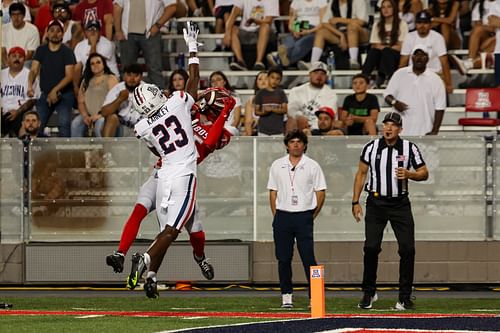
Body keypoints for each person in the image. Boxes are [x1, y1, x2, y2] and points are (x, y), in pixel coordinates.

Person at [105, 91, 236, 284]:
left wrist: (218, 111)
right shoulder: (186, 112)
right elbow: (182, 100)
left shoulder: (216, 131)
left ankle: (199, 258)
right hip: (167, 175)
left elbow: (209, 142)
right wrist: (207, 101)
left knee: (192, 230)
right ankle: (135, 263)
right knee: (153, 220)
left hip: (177, 177)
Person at [128, 21, 201, 299]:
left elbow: (155, 151)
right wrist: (192, 49)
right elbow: (193, 83)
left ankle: (151, 275)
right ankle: (145, 260)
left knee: (165, 232)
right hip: (183, 174)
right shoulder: (177, 100)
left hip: (164, 176)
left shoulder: (142, 127)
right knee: (173, 230)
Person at [351, 111, 429, 310]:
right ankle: (369, 292)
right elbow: (361, 174)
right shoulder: (371, 147)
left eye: (393, 125)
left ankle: (404, 296)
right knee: (370, 247)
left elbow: (424, 173)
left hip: (400, 204)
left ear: (400, 129)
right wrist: (355, 201)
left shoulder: (410, 148)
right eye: (386, 124)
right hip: (376, 203)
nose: (388, 128)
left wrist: (410, 174)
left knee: (407, 249)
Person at [267, 129, 326, 308]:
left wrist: (311, 215)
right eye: (292, 142)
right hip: (283, 216)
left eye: (299, 142)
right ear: (287, 145)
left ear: (305, 145)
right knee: (283, 258)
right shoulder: (277, 165)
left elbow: (321, 192)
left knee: (309, 258)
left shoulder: (312, 165)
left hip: (304, 216)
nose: (295, 144)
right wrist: (276, 215)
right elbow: (272, 192)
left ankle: (315, 297)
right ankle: (286, 296)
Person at [113, 0, 177, 89]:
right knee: (127, 71)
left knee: (155, 70)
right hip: (127, 34)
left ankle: (159, 99)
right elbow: (117, 6)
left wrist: (157, 26)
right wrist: (118, 30)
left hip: (150, 33)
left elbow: (172, 6)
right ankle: (126, 100)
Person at [28, 19, 76, 137]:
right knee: (36, 125)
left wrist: (55, 91)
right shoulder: (41, 50)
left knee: (64, 124)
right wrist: (30, 85)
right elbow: (33, 70)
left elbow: (69, 76)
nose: (55, 34)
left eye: (58, 31)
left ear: (63, 33)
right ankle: (37, 151)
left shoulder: (67, 51)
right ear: (47, 33)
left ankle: (65, 153)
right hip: (45, 93)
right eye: (52, 30)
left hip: (65, 94)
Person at [385, 45, 446, 136]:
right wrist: (394, 102)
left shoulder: (436, 79)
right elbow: (387, 95)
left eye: (423, 55)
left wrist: (434, 131)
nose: (419, 58)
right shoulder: (400, 74)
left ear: (427, 59)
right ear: (412, 57)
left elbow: (440, 107)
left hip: (425, 130)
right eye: (416, 55)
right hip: (400, 131)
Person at [300, 0, 369, 69]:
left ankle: (354, 61)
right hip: (342, 33)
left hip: (360, 33)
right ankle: (313, 64)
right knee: (321, 32)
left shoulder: (358, 1)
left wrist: (340, 20)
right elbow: (325, 22)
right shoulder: (332, 2)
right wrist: (340, 35)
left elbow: (362, 21)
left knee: (352, 26)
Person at [399, 10, 453, 94]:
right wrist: (400, 80)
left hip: (435, 75)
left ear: (430, 24)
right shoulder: (409, 37)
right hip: (414, 75)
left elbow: (444, 62)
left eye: (425, 23)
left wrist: (448, 84)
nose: (422, 25)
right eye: (419, 22)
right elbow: (403, 62)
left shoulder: (438, 38)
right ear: (415, 24)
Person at [267, 0, 328, 69]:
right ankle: (282, 58)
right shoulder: (296, 1)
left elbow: (323, 23)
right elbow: (291, 21)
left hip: (314, 28)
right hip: (298, 26)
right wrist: (293, 30)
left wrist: (309, 31)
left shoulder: (321, 1)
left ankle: (279, 59)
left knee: (300, 44)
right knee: (289, 40)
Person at [362, 0, 408, 88]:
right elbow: (374, 45)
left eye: (389, 7)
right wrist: (389, 47)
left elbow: (402, 47)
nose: (385, 9)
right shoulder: (377, 25)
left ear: (394, 9)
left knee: (387, 51)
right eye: (383, 7)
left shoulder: (402, 24)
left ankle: (387, 78)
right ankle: (364, 77)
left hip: (396, 57)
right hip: (381, 56)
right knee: (373, 52)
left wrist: (385, 47)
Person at [72, 53, 119, 137]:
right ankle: (76, 149)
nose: (95, 65)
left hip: (105, 115)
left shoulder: (111, 78)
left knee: (99, 124)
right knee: (75, 123)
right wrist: (85, 116)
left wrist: (99, 115)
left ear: (103, 64)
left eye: (98, 62)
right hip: (88, 114)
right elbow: (81, 102)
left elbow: (114, 101)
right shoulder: (85, 81)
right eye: (92, 63)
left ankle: (102, 149)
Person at [224, 0, 279, 70]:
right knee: (233, 28)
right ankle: (240, 62)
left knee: (265, 26)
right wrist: (227, 33)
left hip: (265, 32)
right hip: (246, 31)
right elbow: (232, 16)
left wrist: (255, 21)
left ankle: (259, 62)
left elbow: (269, 20)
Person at [287, 61, 338, 132]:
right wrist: (299, 117)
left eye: (322, 74)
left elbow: (329, 116)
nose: (319, 76)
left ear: (326, 77)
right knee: (291, 119)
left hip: (321, 128)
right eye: (316, 73)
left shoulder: (331, 94)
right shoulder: (296, 91)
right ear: (310, 74)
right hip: (300, 126)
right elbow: (291, 109)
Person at [73, 20, 118, 96]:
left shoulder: (107, 44)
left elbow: (95, 63)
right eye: (90, 29)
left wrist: (93, 44)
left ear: (100, 32)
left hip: (110, 76)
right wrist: (75, 87)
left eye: (95, 29)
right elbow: (77, 68)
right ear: (85, 32)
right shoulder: (79, 46)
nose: (92, 32)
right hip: (89, 77)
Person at [1, 47, 39, 137]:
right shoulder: (1, 74)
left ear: (24, 60)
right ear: (8, 58)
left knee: (25, 123)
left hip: (21, 112)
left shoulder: (30, 75)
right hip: (2, 112)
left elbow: (32, 100)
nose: (17, 59)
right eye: (14, 56)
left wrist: (18, 112)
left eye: (20, 57)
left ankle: (23, 148)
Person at [450, 0, 497, 74]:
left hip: (496, 37)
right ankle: (470, 60)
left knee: (494, 42)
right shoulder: (479, 5)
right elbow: (477, 25)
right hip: (486, 37)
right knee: (478, 29)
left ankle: (469, 64)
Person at [100, 63, 144, 137]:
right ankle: (107, 148)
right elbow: (104, 112)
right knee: (111, 118)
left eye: (136, 76)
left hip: (142, 128)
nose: (132, 79)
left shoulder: (147, 90)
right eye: (129, 75)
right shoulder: (117, 89)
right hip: (122, 127)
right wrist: (119, 99)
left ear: (141, 77)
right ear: (124, 76)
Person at [1, 2, 40, 68]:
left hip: (25, 63)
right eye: (13, 15)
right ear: (10, 16)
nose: (16, 18)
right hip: (8, 63)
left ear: (24, 15)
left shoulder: (33, 30)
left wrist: (16, 66)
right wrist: (7, 65)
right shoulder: (4, 29)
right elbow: (2, 50)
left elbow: (30, 54)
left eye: (19, 14)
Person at [254, 67, 288, 136]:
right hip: (263, 130)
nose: (274, 81)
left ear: (280, 80)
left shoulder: (281, 93)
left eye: (277, 79)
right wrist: (264, 112)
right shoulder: (260, 93)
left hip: (278, 130)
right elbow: (256, 111)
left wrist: (272, 109)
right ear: (268, 78)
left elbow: (284, 110)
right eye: (272, 77)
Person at [209, 70, 242, 135]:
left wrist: (225, 132)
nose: (215, 83)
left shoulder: (234, 97)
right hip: (213, 129)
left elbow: (236, 120)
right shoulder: (207, 99)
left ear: (224, 82)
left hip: (230, 129)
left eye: (218, 80)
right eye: (213, 81)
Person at [244, 71, 267, 136]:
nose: (263, 81)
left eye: (266, 78)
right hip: (257, 133)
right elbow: (248, 123)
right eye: (260, 79)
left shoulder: (277, 98)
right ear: (256, 83)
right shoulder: (251, 101)